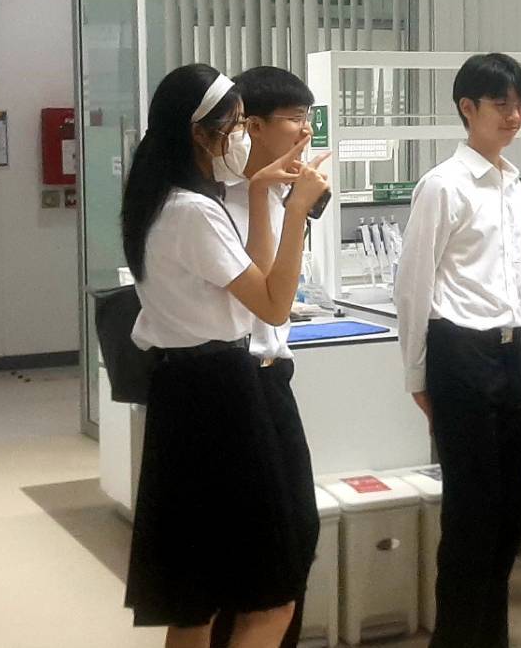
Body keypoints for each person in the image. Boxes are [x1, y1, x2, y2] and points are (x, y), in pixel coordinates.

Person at [121, 64, 329, 648]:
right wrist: (296, 211)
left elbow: (255, 273)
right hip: (221, 392)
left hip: (187, 388)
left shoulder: (160, 200)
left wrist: (261, 192)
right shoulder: (195, 210)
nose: (241, 135)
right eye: (235, 125)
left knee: (197, 596)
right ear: (200, 132)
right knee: (270, 592)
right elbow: (274, 305)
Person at [394, 53, 521, 648]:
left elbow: (519, 286)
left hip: (508, 354)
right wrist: (417, 374)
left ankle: (492, 637)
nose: (514, 116)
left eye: (520, 104)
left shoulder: (511, 182)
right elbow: (413, 285)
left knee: (508, 514)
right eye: (500, 104)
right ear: (468, 108)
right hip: (458, 354)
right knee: (471, 515)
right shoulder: (443, 185)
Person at [207, 65, 319, 648]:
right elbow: (265, 301)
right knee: (257, 547)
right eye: (295, 119)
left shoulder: (279, 194)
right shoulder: (218, 205)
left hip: (276, 376)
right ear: (251, 126)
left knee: (299, 530)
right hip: (237, 378)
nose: (306, 131)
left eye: (308, 117)